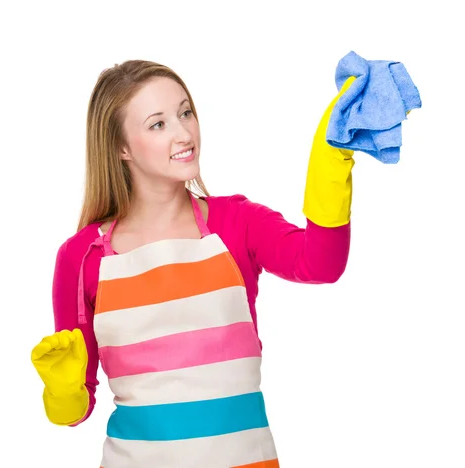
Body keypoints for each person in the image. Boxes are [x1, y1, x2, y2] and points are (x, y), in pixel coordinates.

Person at [31, 60, 356, 467]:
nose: (184, 133)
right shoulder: (82, 257)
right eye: (158, 124)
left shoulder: (238, 223)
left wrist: (332, 157)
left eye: (186, 112)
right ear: (121, 148)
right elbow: (74, 413)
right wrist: (63, 391)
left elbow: (321, 264)